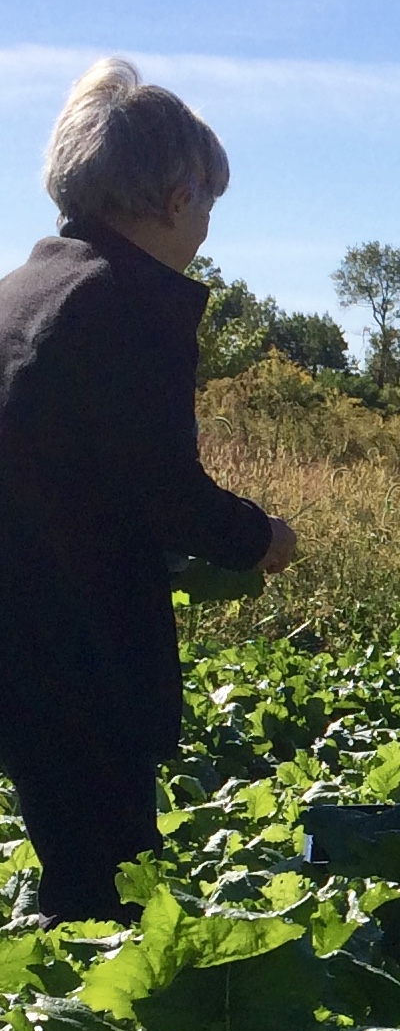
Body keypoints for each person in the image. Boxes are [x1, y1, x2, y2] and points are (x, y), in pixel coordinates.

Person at [0, 58, 297, 924]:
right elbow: (160, 488)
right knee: (104, 889)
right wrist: (258, 538)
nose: (207, 224)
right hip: (74, 647)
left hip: (19, 636)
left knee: (69, 853)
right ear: (175, 195)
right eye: (208, 202)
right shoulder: (125, 302)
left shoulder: (22, 291)